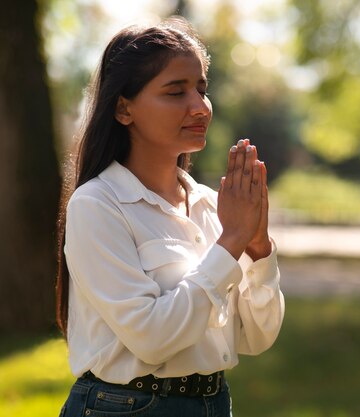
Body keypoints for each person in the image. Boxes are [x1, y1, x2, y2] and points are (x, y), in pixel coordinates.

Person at [55, 16, 284, 417]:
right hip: (125, 407)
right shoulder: (97, 205)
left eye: (201, 88)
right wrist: (230, 244)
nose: (199, 107)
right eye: (175, 91)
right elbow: (152, 338)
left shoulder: (213, 205)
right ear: (124, 108)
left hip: (214, 403)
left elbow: (256, 338)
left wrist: (257, 246)